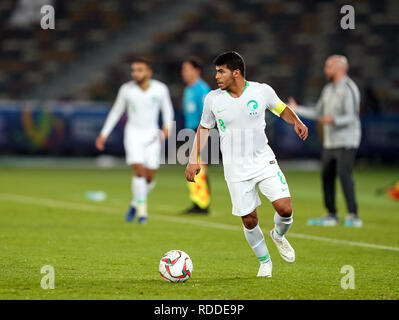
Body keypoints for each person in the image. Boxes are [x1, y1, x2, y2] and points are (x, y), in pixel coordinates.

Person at [185, 51, 308, 277]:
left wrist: (297, 121)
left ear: (236, 72)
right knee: (250, 220)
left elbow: (281, 109)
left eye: (221, 71)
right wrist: (193, 159)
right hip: (235, 168)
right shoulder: (213, 99)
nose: (217, 76)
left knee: (285, 208)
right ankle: (265, 262)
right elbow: (204, 128)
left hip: (263, 160)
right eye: (216, 72)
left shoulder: (261, 91)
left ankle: (278, 236)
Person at [95, 57, 174, 224]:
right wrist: (104, 133)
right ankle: (143, 213)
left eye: (139, 70)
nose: (135, 73)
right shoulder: (127, 89)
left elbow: (167, 109)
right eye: (134, 70)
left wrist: (168, 126)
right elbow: (116, 111)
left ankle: (134, 203)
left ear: (149, 72)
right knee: (139, 170)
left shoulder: (160, 89)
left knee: (149, 178)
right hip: (133, 134)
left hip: (152, 135)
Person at [288, 55, 362, 228]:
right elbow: (317, 112)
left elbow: (352, 117)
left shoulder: (349, 88)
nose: (325, 70)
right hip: (330, 142)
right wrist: (297, 110)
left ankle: (353, 214)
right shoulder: (328, 89)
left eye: (328, 66)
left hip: (346, 141)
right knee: (326, 176)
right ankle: (331, 214)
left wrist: (333, 120)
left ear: (340, 68)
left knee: (344, 175)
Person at [181, 57, 211, 214]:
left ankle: (203, 204)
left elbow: (206, 116)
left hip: (200, 131)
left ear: (196, 71)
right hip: (189, 131)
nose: (183, 73)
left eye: (186, 69)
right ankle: (196, 201)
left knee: (200, 167)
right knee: (191, 166)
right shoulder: (188, 90)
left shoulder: (202, 89)